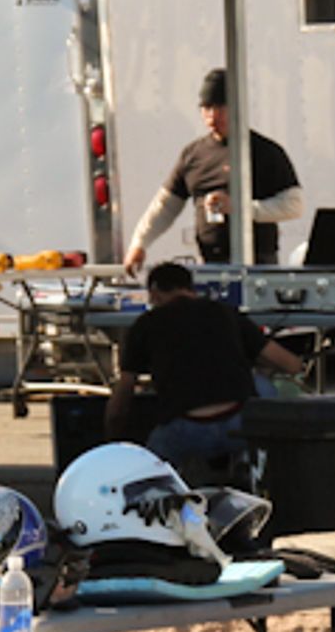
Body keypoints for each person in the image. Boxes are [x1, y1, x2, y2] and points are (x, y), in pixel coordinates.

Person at [105, 261, 306, 488]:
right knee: (264, 387)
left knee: (145, 480)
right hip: (240, 422)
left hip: (184, 429)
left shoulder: (144, 325)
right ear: (190, 288)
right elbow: (290, 365)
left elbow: (122, 397)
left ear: (155, 293)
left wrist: (112, 439)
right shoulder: (224, 312)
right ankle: (252, 466)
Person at [121, 69, 304, 270]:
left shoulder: (265, 152)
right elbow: (165, 205)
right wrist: (139, 243)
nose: (213, 116)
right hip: (210, 264)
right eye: (207, 108)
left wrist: (241, 209)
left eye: (221, 107)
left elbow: (294, 206)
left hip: (258, 265)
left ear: (238, 107)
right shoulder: (193, 154)